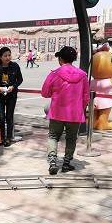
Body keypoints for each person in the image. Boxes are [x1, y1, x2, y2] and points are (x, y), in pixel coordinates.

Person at [41, 46, 90, 175]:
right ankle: (67, 163)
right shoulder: (83, 76)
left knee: (53, 136)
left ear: (60, 59)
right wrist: (79, 107)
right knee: (71, 138)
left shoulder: (54, 74)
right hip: (75, 113)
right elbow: (86, 97)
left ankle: (52, 162)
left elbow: (45, 92)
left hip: (57, 112)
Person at [0, 47, 23, 147]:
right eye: (5, 56)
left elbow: (20, 79)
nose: (8, 58)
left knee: (9, 117)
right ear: (1, 57)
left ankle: (8, 138)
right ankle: (1, 138)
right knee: (1, 117)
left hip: (11, 95)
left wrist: (13, 86)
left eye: (9, 55)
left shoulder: (15, 66)